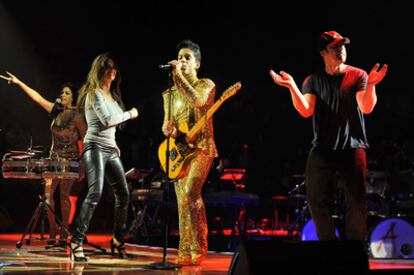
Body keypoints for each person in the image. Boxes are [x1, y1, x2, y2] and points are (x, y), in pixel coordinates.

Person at [269, 31, 388, 240]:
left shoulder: (359, 75)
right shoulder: (313, 80)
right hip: (323, 148)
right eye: (335, 47)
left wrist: (372, 84)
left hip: (352, 147)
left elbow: (366, 107)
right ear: (323, 52)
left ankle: (354, 254)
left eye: (343, 46)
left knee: (356, 202)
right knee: (315, 199)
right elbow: (306, 110)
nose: (341, 49)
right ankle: (331, 250)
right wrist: (292, 86)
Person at [69, 53, 138, 262]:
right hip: (94, 146)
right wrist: (131, 113)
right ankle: (76, 241)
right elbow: (108, 120)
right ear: (99, 71)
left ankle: (117, 238)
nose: (112, 71)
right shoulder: (94, 93)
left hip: (109, 148)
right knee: (96, 191)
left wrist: (114, 142)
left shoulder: (113, 97)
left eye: (114, 68)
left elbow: (110, 127)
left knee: (123, 193)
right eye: (107, 68)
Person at [6, 72, 86, 245]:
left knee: (64, 195)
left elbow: (86, 140)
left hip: (70, 159)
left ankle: (65, 232)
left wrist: (83, 165)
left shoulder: (78, 116)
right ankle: (52, 230)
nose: (62, 95)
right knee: (47, 196)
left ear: (73, 97)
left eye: (66, 93)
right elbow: (37, 97)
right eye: (62, 92)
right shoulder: (55, 111)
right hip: (53, 158)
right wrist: (19, 82)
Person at [161, 39, 217, 266]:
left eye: (187, 58)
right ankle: (184, 249)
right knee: (181, 200)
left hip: (202, 149)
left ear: (197, 64)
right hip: (180, 152)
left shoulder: (206, 85)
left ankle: (199, 246)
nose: (182, 61)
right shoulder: (169, 94)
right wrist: (169, 130)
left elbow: (198, 101)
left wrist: (178, 76)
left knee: (191, 192)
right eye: (180, 57)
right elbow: (167, 124)